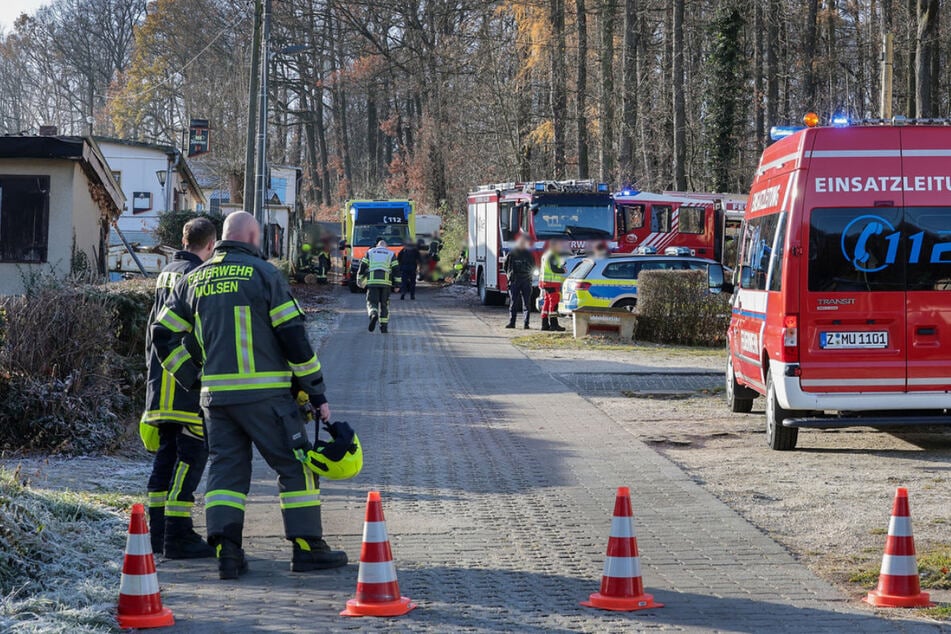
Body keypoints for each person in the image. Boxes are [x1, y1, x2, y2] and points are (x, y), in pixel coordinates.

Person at [151, 211, 347, 580]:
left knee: (226, 472)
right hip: (267, 398)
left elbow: (163, 335)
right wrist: (315, 391)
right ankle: (307, 548)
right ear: (255, 237)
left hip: (216, 401)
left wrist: (191, 377)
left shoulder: (193, 279)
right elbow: (294, 338)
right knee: (296, 466)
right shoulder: (265, 275)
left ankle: (227, 550)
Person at [141, 217, 218, 558]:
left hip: (160, 381)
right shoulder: (196, 276)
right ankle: (178, 534)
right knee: (191, 456)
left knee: (166, 458)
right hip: (185, 383)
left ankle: (157, 533)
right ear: (211, 245)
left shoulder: (166, 271)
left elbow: (153, 330)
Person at [358, 238, 400, 333]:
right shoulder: (391, 253)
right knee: (385, 305)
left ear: (377, 245)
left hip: (372, 282)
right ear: (386, 246)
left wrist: (359, 279)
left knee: (372, 302)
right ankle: (383, 327)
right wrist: (397, 285)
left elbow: (363, 266)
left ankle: (373, 314)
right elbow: (396, 269)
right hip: (386, 284)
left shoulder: (370, 252)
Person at [502, 235, 535, 330]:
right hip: (515, 280)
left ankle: (526, 324)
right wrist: (509, 276)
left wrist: (529, 277)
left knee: (527, 303)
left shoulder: (528, 254)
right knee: (513, 302)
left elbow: (533, 266)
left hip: (526, 280)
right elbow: (505, 266)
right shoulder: (512, 253)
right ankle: (512, 323)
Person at [540, 240, 567, 332]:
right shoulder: (553, 255)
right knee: (554, 303)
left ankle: (544, 324)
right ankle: (554, 325)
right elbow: (554, 268)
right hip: (552, 283)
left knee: (546, 302)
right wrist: (563, 270)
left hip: (545, 282)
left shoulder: (546, 254)